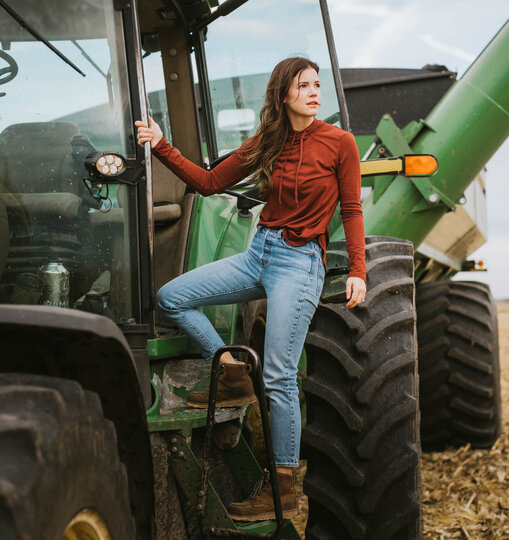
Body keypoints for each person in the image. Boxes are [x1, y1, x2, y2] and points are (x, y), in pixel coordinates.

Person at [135, 56, 366, 521]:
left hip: (300, 264)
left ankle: (281, 491)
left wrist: (358, 268)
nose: (314, 92)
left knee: (280, 375)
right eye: (303, 85)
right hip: (258, 253)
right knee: (172, 297)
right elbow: (208, 182)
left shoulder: (339, 143)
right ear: (284, 95)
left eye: (317, 85)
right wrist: (161, 144)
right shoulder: (270, 140)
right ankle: (231, 370)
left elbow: (352, 210)